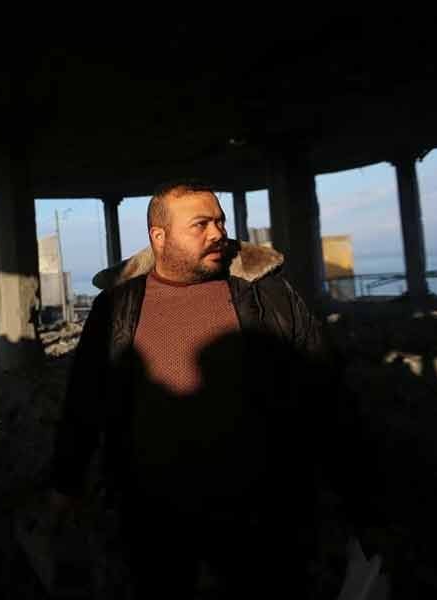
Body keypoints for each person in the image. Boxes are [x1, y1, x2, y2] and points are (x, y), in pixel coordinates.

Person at [48, 183, 374, 597]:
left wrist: (359, 495)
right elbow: (85, 400)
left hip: (260, 508)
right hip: (152, 512)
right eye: (200, 224)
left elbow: (326, 392)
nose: (218, 233)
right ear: (159, 237)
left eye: (220, 221)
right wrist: (66, 483)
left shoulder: (269, 294)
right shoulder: (117, 306)